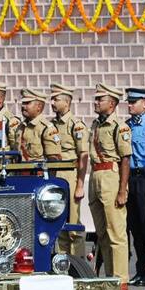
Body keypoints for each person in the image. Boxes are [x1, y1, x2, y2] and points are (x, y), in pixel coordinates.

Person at [88, 84, 132, 290]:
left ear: (112, 104)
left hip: (111, 176)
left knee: (116, 230)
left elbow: (125, 159)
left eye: (100, 99)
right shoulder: (96, 124)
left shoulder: (119, 127)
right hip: (96, 174)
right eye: (96, 99)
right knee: (102, 232)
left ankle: (121, 277)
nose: (96, 102)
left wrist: (122, 189)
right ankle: (109, 276)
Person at [50, 84, 89, 257]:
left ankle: (77, 264)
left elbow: (83, 155)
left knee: (73, 224)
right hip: (54, 174)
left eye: (56, 99)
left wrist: (80, 184)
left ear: (66, 102)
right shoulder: (50, 125)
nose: (52, 102)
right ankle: (61, 263)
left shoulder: (76, 125)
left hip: (70, 174)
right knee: (58, 224)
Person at [125, 88, 145, 286]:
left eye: (134, 102)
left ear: (144, 104)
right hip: (130, 178)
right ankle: (141, 269)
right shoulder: (126, 126)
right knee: (134, 225)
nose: (129, 105)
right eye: (129, 101)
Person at [17, 89, 61, 161]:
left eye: (27, 103)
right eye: (23, 103)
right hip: (19, 171)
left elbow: (54, 160)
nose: (23, 106)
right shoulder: (21, 127)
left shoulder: (47, 129)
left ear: (39, 107)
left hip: (37, 171)